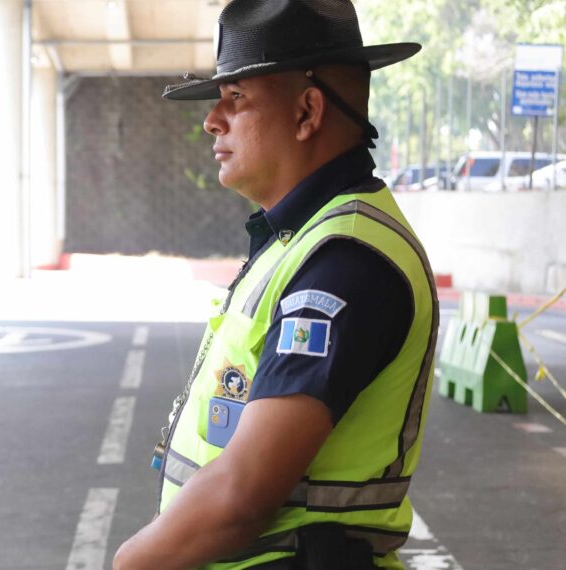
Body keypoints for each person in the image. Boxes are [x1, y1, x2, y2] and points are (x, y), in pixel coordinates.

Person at [114, 1, 437, 569]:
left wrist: (126, 563)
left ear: (307, 111)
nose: (213, 120)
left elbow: (242, 495)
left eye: (236, 96)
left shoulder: (345, 262)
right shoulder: (302, 237)